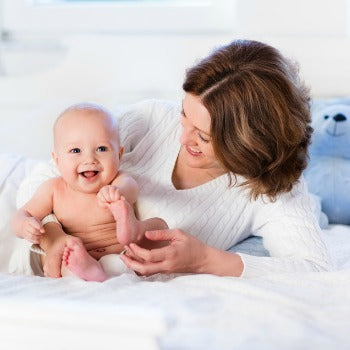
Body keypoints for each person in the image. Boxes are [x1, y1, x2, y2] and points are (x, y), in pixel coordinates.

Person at [14, 39, 332, 279]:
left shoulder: (270, 190)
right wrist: (54, 237)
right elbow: (45, 176)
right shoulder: (151, 119)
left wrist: (206, 260)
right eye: (184, 115)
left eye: (203, 137)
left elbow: (314, 269)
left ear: (248, 146)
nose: (182, 139)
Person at [11, 103, 168, 281]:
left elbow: (131, 189)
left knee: (159, 226)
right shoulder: (53, 189)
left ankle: (119, 249)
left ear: (119, 155)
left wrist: (117, 192)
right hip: (80, 254)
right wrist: (24, 225)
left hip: (124, 253)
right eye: (76, 150)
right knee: (65, 258)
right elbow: (21, 215)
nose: (89, 159)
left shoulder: (118, 180)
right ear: (57, 159)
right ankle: (87, 269)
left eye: (101, 149)